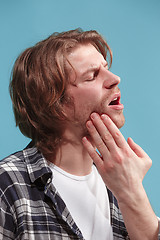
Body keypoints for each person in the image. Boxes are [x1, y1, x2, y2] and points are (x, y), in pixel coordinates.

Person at [0, 28, 159, 240]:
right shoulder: (8, 183)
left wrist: (132, 193)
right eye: (92, 76)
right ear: (56, 105)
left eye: (106, 68)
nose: (115, 78)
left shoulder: (120, 182)